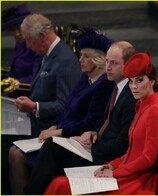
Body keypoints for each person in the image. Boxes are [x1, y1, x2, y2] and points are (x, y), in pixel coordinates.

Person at [8, 28, 115, 194]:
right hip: (61, 133)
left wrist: (58, 132)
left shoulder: (104, 85)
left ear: (98, 59)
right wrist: (53, 127)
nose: (80, 60)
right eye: (81, 55)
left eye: (86, 56)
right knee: (13, 150)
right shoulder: (85, 79)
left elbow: (90, 123)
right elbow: (67, 109)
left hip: (77, 142)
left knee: (17, 156)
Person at [44, 51, 158, 195]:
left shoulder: (155, 111)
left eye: (139, 80)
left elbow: (148, 158)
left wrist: (116, 172)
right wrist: (110, 165)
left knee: (61, 185)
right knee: (59, 182)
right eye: (130, 81)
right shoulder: (142, 106)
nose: (134, 86)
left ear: (152, 81)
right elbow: (131, 152)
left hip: (137, 179)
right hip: (126, 170)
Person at [23, 41, 136, 194]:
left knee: (52, 151)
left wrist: (92, 145)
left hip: (107, 158)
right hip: (98, 147)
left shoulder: (130, 95)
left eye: (114, 63)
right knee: (52, 147)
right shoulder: (116, 87)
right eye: (107, 61)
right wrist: (93, 134)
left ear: (128, 65)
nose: (108, 67)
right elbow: (105, 124)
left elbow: (123, 145)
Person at [1, 13, 81, 194]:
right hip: (33, 121)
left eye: (28, 40)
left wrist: (35, 106)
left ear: (43, 36)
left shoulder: (65, 61)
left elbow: (65, 106)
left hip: (48, 127)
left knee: (4, 146)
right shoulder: (46, 54)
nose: (27, 46)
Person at [1, 4, 42, 96]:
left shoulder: (40, 46)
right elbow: (15, 70)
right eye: (12, 30)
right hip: (12, 94)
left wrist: (13, 82)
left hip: (31, 97)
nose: (16, 34)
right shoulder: (20, 43)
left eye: (19, 28)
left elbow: (38, 78)